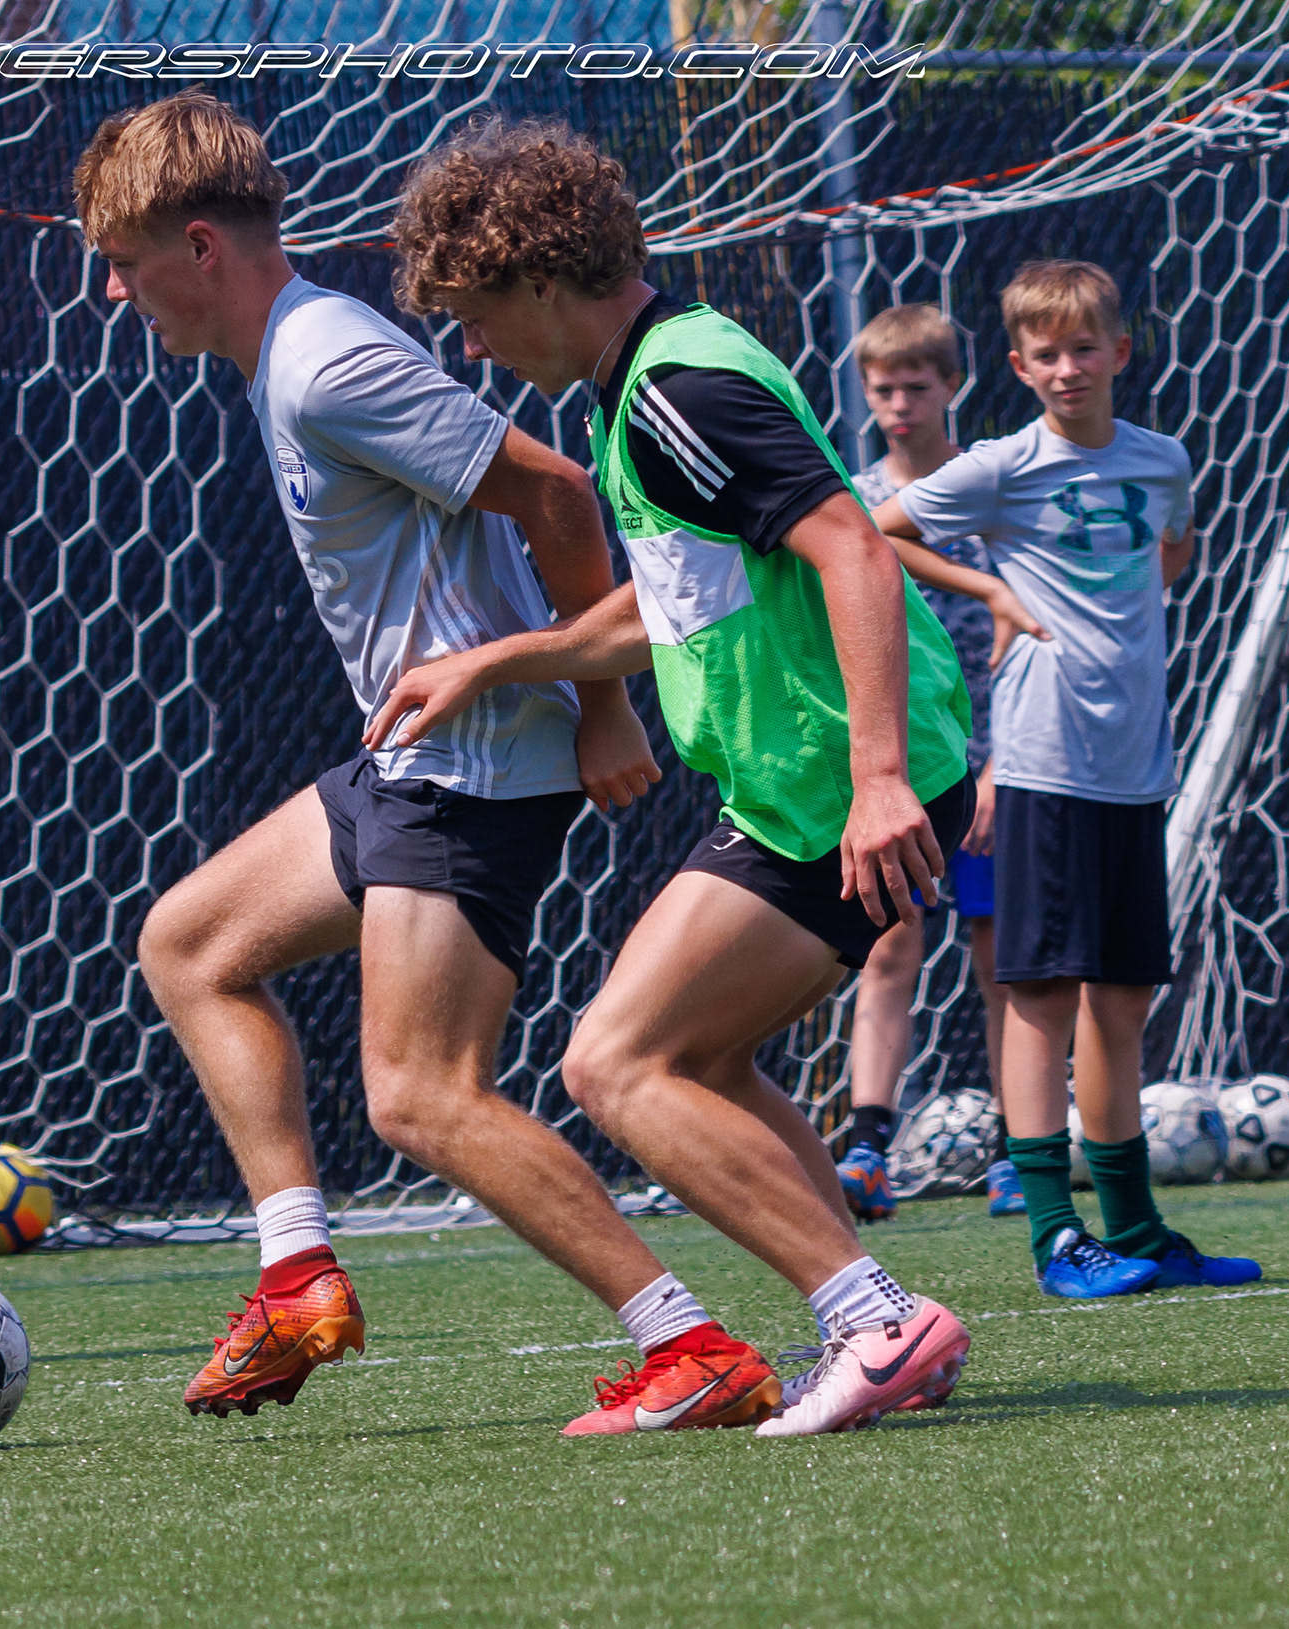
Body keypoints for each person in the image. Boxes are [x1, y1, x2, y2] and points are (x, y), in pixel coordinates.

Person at [75, 93, 785, 1436]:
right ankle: (297, 1277)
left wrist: (601, 705)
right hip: (415, 754)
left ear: (202, 245)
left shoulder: (323, 363)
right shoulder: (291, 355)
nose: (116, 292)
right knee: (190, 944)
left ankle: (689, 1345)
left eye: (126, 261)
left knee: (420, 1095)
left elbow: (558, 490)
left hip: (474, 764)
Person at [379, 119, 974, 1436]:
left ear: (543, 282)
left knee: (616, 1062)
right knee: (695, 1055)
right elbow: (676, 601)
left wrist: (878, 778)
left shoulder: (677, 392)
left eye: (476, 315)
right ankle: (883, 1321)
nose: (475, 348)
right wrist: (499, 662)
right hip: (801, 784)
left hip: (834, 787)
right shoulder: (639, 383)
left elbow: (855, 553)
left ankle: (877, 1322)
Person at [872, 260, 1261, 1298]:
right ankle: (1056, 1238)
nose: (1068, 368)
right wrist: (992, 589)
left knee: (1123, 1000)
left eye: (1085, 348)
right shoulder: (1001, 468)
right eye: (1046, 354)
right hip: (1043, 764)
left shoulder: (1162, 460)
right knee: (1041, 996)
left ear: (1120, 352)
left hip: (1136, 768)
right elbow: (878, 535)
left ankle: (1136, 1228)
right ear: (1018, 366)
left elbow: (1170, 554)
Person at [835, 305, 1024, 1223]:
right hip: (897, 766)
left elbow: (1023, 634)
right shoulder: (851, 497)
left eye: (917, 385)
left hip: (986, 763)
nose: (900, 403)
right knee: (889, 947)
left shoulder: (989, 491)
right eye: (884, 388)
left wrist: (998, 767)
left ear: (954, 384)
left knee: (1003, 960)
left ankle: (1021, 1150)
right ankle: (867, 1146)